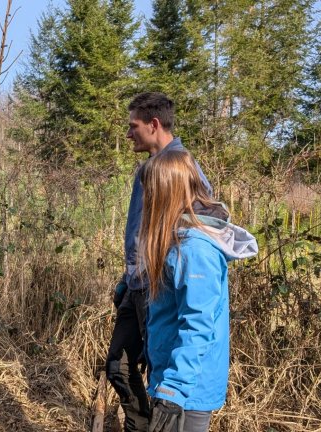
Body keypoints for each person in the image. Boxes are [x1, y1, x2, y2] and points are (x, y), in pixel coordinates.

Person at [107, 92, 213, 432]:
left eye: (133, 126)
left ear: (154, 125)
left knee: (159, 368)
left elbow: (203, 226)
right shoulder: (147, 169)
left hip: (159, 288)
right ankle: (140, 424)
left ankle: (157, 422)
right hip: (136, 285)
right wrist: (128, 277)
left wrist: (163, 274)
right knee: (117, 365)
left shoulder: (180, 167)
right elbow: (141, 230)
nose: (128, 134)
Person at [137, 149, 257, 432]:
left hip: (187, 390)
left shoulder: (194, 250)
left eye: (149, 192)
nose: (145, 201)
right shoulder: (179, 240)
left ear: (164, 193)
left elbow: (198, 326)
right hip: (171, 376)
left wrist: (172, 391)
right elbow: (172, 312)